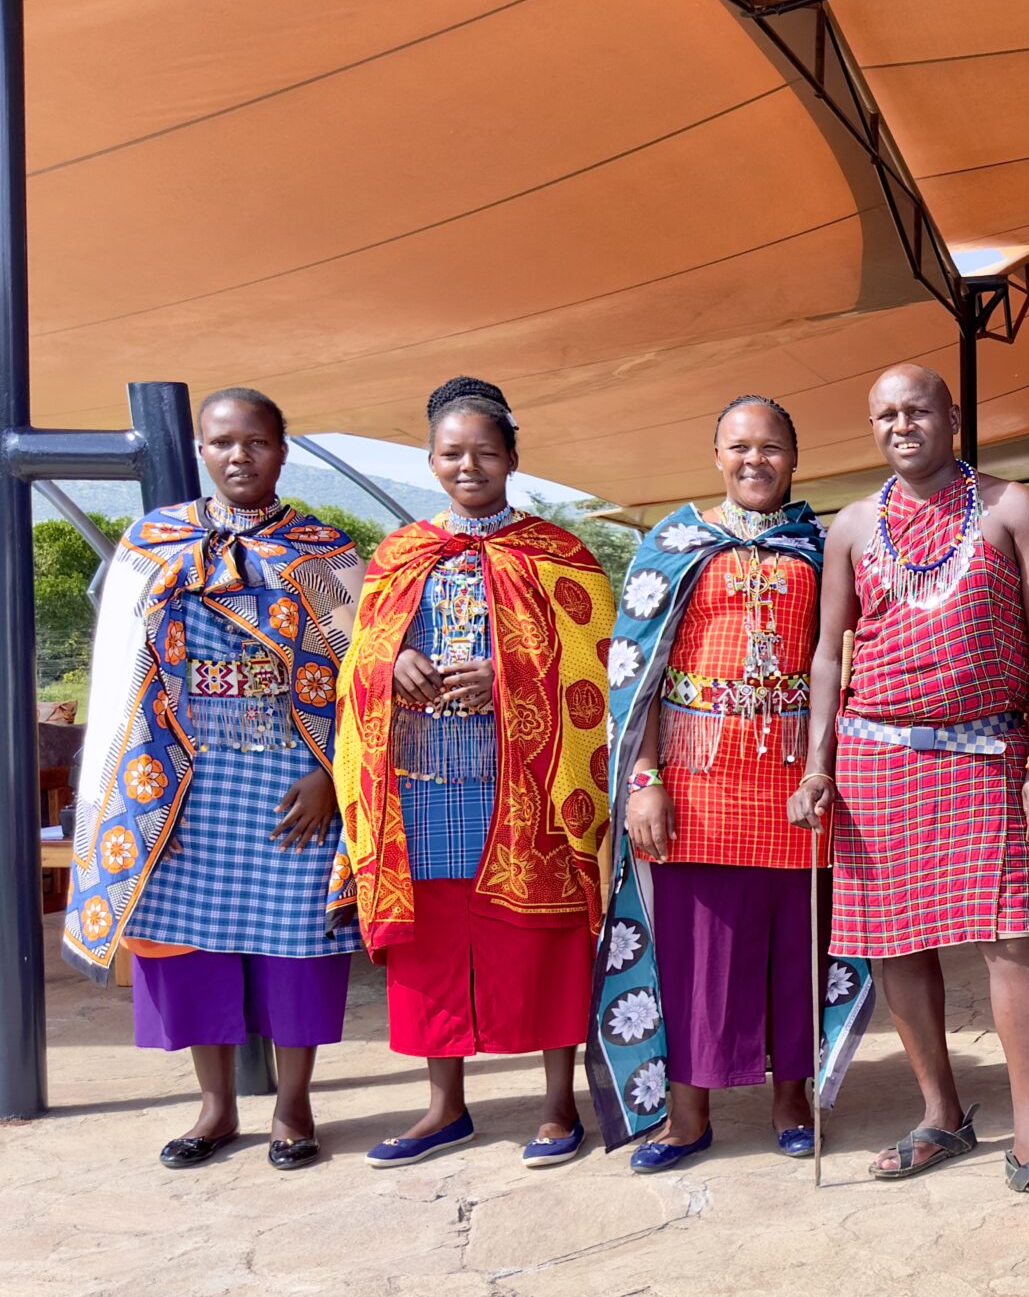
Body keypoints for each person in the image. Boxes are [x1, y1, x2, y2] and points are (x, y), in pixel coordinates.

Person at [791, 364, 1029, 1208]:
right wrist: (818, 764)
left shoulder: (1011, 507)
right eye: (885, 413)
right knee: (895, 944)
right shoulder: (852, 525)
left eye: (917, 409)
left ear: (952, 417)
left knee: (1011, 938)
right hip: (874, 758)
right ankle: (942, 1115)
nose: (902, 425)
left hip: (983, 756)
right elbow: (828, 653)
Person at [65, 388, 366, 1170]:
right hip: (182, 784)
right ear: (202, 449)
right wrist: (138, 784)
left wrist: (333, 778)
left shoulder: (325, 553)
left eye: (256, 442)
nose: (240, 456)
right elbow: (120, 673)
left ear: (282, 450)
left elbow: (357, 680)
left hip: (293, 781)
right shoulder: (151, 543)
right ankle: (215, 1107)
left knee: (298, 947)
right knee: (189, 946)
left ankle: (294, 1107)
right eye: (223, 442)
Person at [337, 377, 614, 1168]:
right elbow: (358, 656)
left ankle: (559, 1105)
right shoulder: (399, 554)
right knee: (430, 943)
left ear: (513, 458)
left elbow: (595, 663)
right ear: (430, 461)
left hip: (525, 784)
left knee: (543, 939)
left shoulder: (559, 555)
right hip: (423, 785)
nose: (469, 466)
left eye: (485, 453)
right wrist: (394, 662)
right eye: (452, 454)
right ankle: (444, 1107)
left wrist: (505, 675)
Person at [589, 396, 831, 1172]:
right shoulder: (673, 544)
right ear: (716, 456)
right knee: (697, 954)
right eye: (739, 447)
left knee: (796, 948)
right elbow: (636, 673)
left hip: (795, 780)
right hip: (694, 782)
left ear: (795, 457)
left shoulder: (821, 548)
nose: (754, 460)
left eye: (771, 447)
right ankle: (686, 1116)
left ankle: (793, 1099)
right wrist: (643, 780)